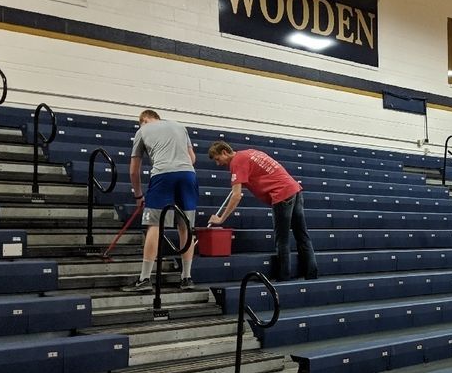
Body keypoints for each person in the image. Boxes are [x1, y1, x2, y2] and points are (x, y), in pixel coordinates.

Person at [206, 141, 318, 281]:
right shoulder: (249, 152)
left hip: (282, 195)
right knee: (302, 235)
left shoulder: (236, 162)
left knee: (282, 239)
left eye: (218, 159)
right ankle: (311, 273)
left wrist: (221, 218)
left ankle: (284, 276)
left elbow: (236, 196)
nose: (218, 163)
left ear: (224, 152)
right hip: (294, 189)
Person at [123, 109, 198, 292]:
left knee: (154, 225)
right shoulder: (180, 126)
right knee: (185, 227)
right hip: (188, 174)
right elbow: (192, 158)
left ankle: (145, 278)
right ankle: (186, 278)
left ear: (144, 121)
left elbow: (134, 170)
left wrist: (139, 195)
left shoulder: (142, 131)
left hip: (163, 175)